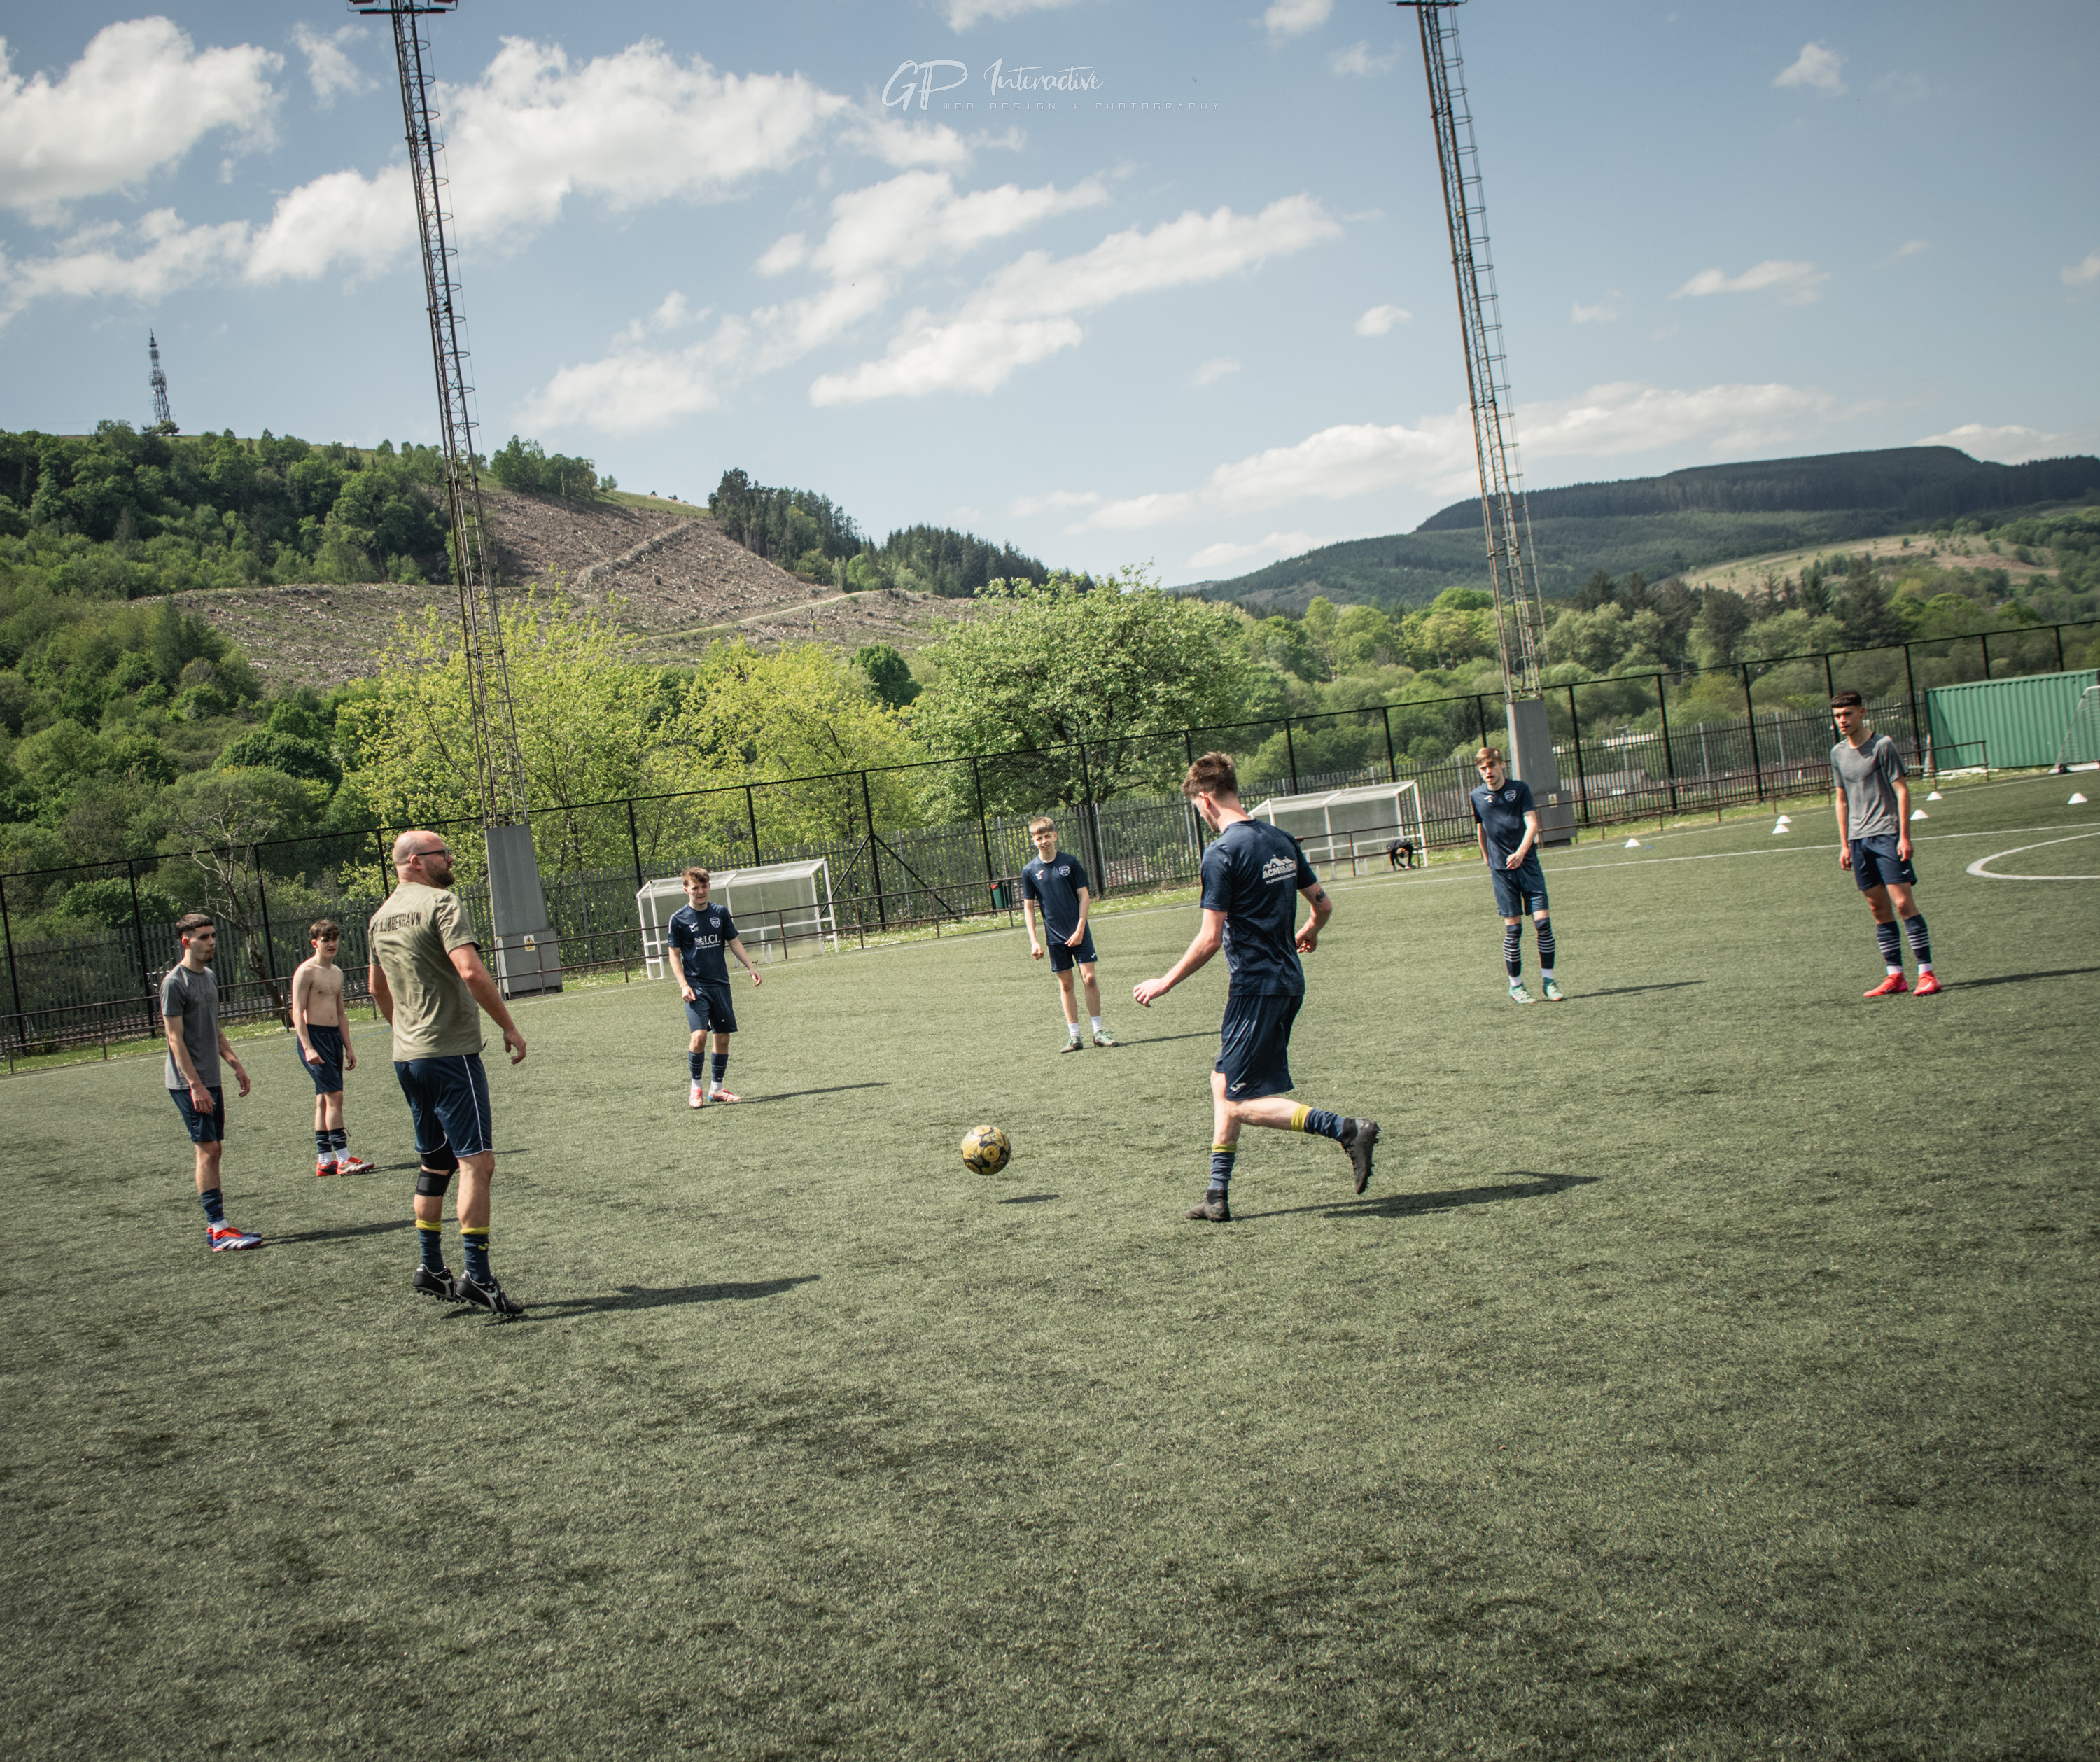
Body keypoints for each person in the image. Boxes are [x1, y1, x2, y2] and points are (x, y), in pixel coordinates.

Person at [1132, 752, 1378, 1222]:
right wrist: (1309, 932)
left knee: (1239, 1101)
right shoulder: (1279, 838)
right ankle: (1216, 1195)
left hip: (1254, 986)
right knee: (1222, 1080)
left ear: (1205, 799)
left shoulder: (1222, 852)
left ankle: (1347, 1129)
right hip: (1288, 980)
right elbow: (1323, 906)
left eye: (1197, 807)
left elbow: (1209, 938)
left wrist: (1164, 982)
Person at [368, 830, 529, 1316]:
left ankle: (430, 1267)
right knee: (476, 1164)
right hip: (451, 1054)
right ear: (416, 860)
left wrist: (406, 1031)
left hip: (407, 1057)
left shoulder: (378, 918)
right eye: (444, 852)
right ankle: (477, 1278)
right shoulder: (442, 901)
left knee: (434, 1162)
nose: (451, 858)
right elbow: (472, 971)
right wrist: (510, 1026)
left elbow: (376, 989)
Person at [1830, 690, 1941, 998]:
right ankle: (1895, 977)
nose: (1843, 720)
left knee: (1903, 903)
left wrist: (1904, 835)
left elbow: (1902, 791)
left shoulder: (1883, 745)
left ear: (1862, 713)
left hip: (1887, 834)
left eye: (1848, 713)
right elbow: (1841, 800)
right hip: (1857, 840)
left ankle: (1927, 974)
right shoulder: (1837, 753)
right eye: (1838, 715)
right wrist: (1844, 844)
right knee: (1878, 909)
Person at [161, 912, 260, 1251]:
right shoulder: (175, 983)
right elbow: (175, 1040)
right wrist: (195, 1085)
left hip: (211, 1079)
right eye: (204, 937)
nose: (212, 941)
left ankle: (219, 1226)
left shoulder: (210, 976)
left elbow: (214, 1028)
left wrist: (235, 1063)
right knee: (207, 1151)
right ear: (187, 942)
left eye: (213, 935)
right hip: (188, 1082)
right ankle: (217, 1230)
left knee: (215, 1150)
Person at [1470, 746, 1564, 1003]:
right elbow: (1481, 830)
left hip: (1528, 864)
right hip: (1502, 872)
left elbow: (1532, 823)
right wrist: (1489, 861)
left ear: (1502, 765)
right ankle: (1516, 987)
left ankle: (1549, 981)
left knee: (1543, 924)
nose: (1488, 772)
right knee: (1513, 931)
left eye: (1491, 766)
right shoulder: (1476, 796)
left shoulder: (1520, 789)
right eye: (1483, 769)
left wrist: (1522, 852)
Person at [667, 867, 762, 1107]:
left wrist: (750, 967)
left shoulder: (720, 913)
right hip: (696, 987)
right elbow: (673, 955)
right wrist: (683, 985)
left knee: (723, 1038)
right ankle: (696, 1089)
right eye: (696, 888)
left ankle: (717, 1090)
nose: (701, 892)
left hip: (721, 985)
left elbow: (734, 942)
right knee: (699, 1036)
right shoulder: (678, 919)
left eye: (705, 886)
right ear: (686, 889)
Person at [289, 918, 374, 1177]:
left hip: (333, 1038)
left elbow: (341, 1013)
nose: (332, 944)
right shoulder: (306, 971)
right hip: (314, 1039)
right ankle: (344, 1159)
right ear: (315, 943)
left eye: (335, 938)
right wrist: (308, 1047)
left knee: (324, 1101)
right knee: (335, 1097)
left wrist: (348, 1047)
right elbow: (296, 1012)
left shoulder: (337, 973)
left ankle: (325, 1162)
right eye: (326, 939)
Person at [1021, 816, 1114, 1050]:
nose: (1044, 841)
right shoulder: (1030, 871)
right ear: (1033, 840)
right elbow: (1029, 907)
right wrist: (1034, 941)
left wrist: (1081, 928)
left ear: (1055, 836)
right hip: (1054, 937)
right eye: (1039, 837)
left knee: (1089, 978)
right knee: (1066, 985)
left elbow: (1084, 896)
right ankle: (1075, 1037)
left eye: (1047, 836)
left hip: (1079, 933)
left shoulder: (1070, 862)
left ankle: (1098, 1032)